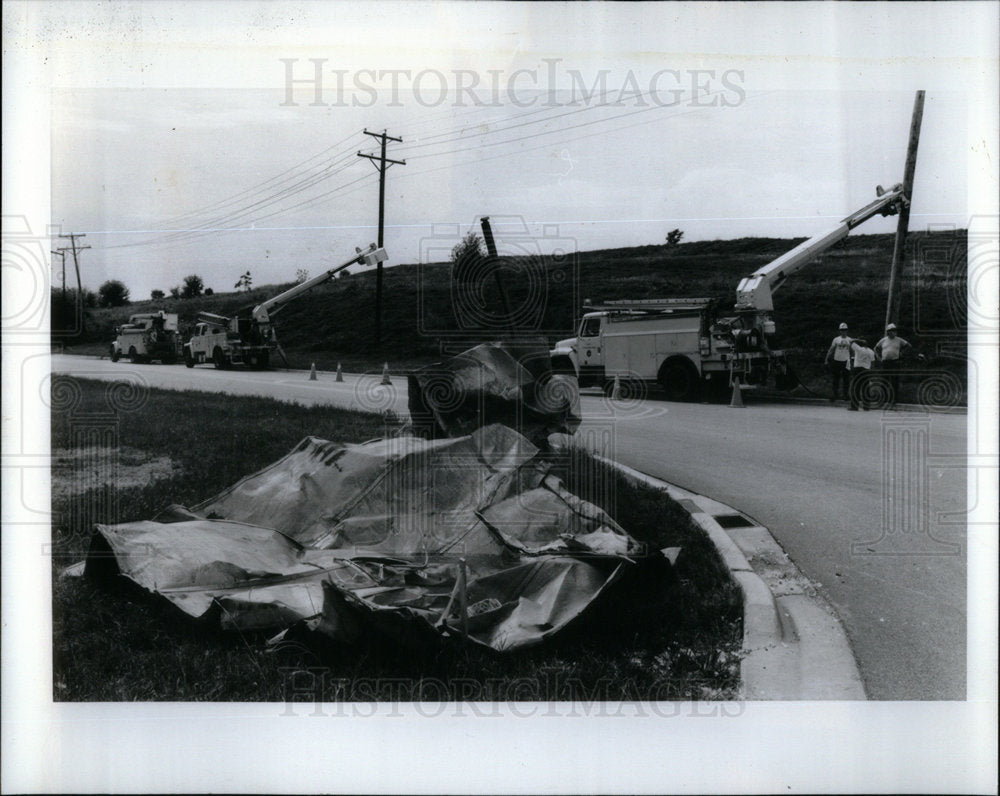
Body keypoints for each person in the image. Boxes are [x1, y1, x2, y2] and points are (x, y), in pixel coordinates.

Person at [874, 323, 918, 407]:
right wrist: (878, 357)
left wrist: (901, 353)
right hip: (885, 362)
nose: (893, 332)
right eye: (891, 331)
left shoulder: (899, 340)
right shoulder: (883, 340)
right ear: (888, 332)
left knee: (894, 380)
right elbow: (876, 348)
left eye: (894, 331)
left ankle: (893, 399)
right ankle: (883, 399)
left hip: (895, 362)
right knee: (884, 380)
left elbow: (909, 346)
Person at [824, 322, 853, 401]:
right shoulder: (836, 339)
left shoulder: (850, 340)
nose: (843, 331)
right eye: (842, 330)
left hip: (846, 361)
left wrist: (852, 359)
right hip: (837, 360)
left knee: (846, 379)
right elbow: (831, 349)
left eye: (845, 330)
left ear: (847, 331)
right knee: (836, 378)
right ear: (840, 331)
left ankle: (845, 395)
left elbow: (852, 350)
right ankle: (835, 394)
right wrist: (827, 359)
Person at [847, 337, 875, 411]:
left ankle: (854, 406)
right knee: (865, 388)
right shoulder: (871, 351)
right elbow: (872, 363)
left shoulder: (858, 348)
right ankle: (866, 406)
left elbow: (850, 341)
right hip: (866, 370)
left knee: (856, 388)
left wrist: (857, 340)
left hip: (858, 370)